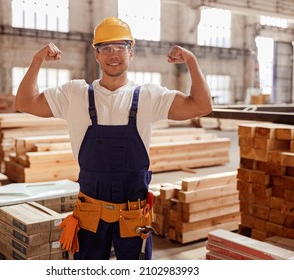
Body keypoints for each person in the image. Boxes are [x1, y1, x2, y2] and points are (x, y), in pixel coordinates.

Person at [15, 17, 212, 260]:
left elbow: (201, 106)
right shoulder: (74, 94)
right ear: (96, 55)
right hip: (89, 214)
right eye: (106, 48)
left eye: (120, 47)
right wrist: (37, 60)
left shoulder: (150, 96)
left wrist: (191, 61)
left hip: (133, 215)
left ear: (131, 53)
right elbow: (24, 102)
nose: (113, 54)